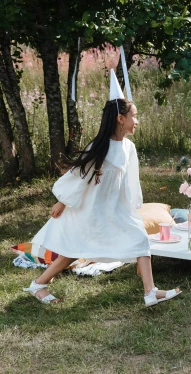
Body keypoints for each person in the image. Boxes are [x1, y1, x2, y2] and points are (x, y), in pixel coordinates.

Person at [27, 72, 181, 307]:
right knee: (72, 249)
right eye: (134, 116)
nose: (137, 121)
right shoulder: (99, 147)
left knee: (140, 239)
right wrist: (62, 201)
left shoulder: (128, 147)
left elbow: (131, 180)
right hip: (92, 207)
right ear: (120, 119)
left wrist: (132, 206)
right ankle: (38, 284)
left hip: (116, 207)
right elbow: (78, 175)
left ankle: (150, 291)